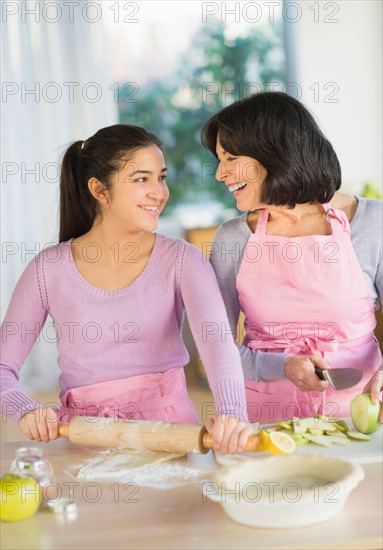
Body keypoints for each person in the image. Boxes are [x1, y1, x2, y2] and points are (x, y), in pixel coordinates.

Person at [0, 124, 252, 453]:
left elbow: (218, 345)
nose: (158, 192)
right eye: (141, 179)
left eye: (161, 177)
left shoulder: (183, 260)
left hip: (172, 436)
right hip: (85, 440)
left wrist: (233, 414)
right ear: (99, 190)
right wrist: (26, 411)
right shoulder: (47, 270)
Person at [202, 91, 383, 423]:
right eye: (219, 161)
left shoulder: (373, 223)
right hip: (264, 422)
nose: (220, 174)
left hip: (360, 419)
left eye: (230, 158)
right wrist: (282, 365)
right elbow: (215, 346)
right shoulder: (232, 237)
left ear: (272, 152)